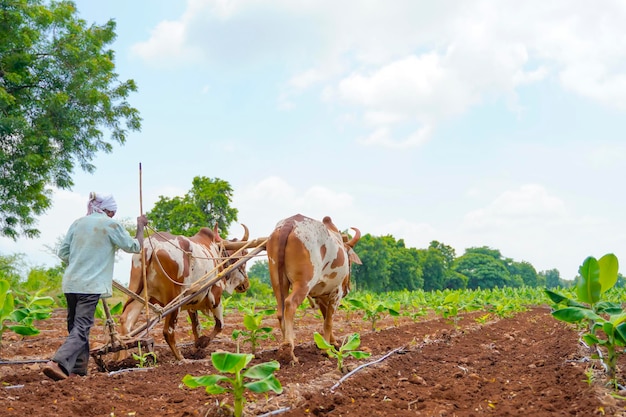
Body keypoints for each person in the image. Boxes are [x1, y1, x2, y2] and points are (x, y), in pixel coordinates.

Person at [43, 192, 148, 381]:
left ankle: (78, 370)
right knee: (82, 327)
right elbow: (134, 247)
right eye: (113, 213)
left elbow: (63, 252)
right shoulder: (110, 225)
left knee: (75, 327)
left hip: (71, 283)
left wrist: (81, 261)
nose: (113, 216)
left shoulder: (77, 223)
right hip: (90, 286)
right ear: (108, 211)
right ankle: (57, 363)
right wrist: (139, 227)